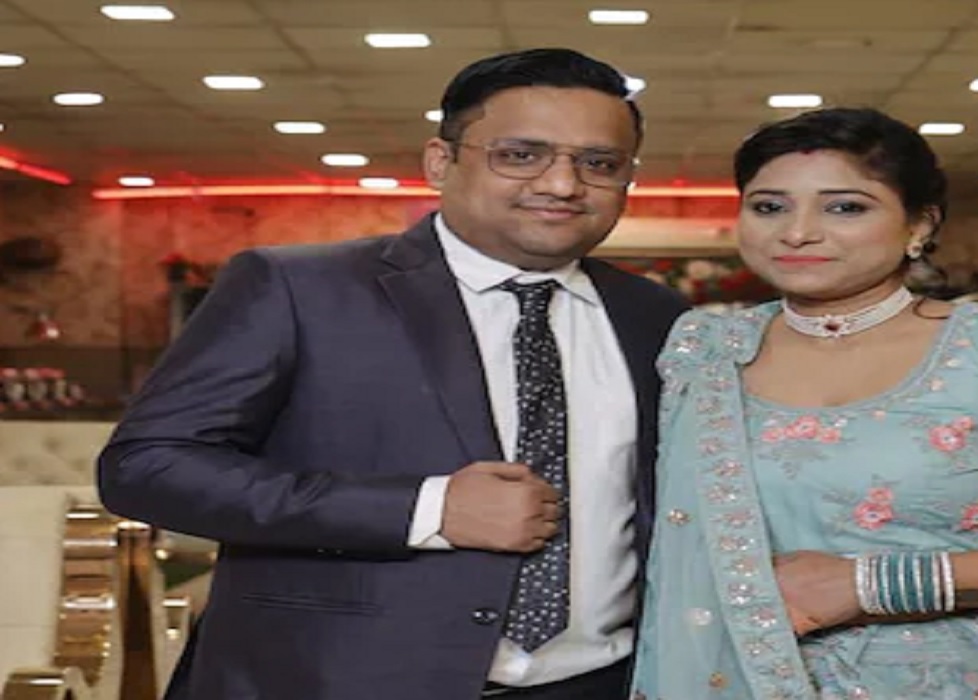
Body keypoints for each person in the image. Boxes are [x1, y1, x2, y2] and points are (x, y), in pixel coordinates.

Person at [97, 48, 687, 700]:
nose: (562, 184)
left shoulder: (657, 317)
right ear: (440, 161)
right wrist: (426, 509)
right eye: (521, 155)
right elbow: (146, 467)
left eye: (599, 164)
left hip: (600, 683)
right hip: (333, 681)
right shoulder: (297, 288)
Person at [630, 107, 978, 699]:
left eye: (845, 207)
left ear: (919, 225)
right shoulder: (703, 349)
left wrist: (869, 585)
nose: (797, 232)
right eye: (769, 206)